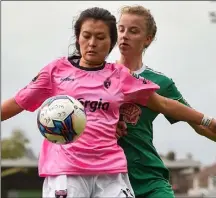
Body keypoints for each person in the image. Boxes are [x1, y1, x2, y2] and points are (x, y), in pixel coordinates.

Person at [1, 6, 216, 198]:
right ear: (77, 37)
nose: (92, 43)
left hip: (120, 173)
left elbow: (165, 104)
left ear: (111, 42)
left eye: (100, 37)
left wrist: (207, 120)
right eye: (86, 36)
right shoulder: (56, 71)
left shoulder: (122, 76)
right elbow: (16, 102)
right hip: (68, 171)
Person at [116, 5, 216, 198]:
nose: (124, 35)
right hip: (106, 178)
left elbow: (200, 125)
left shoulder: (161, 83)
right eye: (121, 29)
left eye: (133, 31)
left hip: (149, 179)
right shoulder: (96, 75)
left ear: (148, 39)